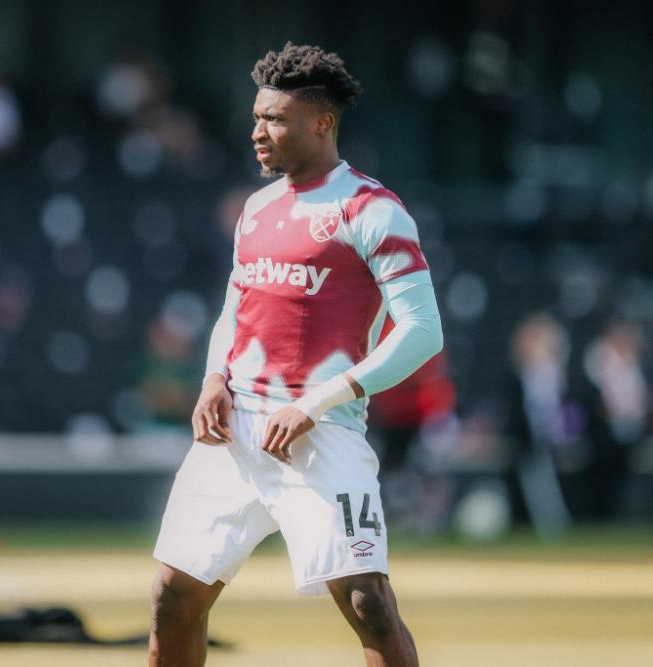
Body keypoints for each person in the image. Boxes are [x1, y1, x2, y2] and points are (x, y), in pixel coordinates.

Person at [149, 42, 443, 666]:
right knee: (173, 598)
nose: (257, 132)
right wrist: (212, 378)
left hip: (321, 433)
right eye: (257, 117)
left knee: (370, 606)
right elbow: (237, 306)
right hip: (233, 434)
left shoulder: (372, 209)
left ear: (322, 122)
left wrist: (316, 403)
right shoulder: (255, 208)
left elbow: (422, 331)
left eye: (274, 119)